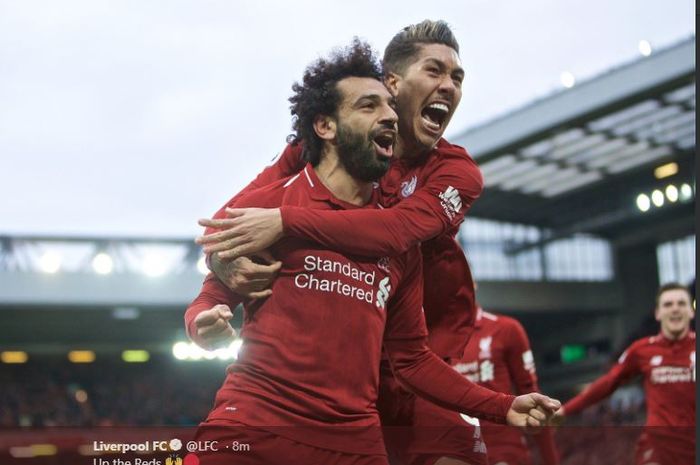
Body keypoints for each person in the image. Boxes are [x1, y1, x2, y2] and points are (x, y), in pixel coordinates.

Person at [186, 39, 559, 465]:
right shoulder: (297, 170)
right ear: (395, 83)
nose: (449, 86)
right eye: (434, 71)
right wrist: (220, 272)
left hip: (410, 368)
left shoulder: (451, 177)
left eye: (457, 77)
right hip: (260, 419)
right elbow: (222, 231)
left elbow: (395, 236)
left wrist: (502, 406)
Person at [552, 282, 695, 465]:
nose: (675, 309)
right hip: (657, 448)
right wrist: (566, 410)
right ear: (658, 313)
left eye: (681, 303)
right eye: (668, 304)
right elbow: (608, 382)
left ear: (691, 311)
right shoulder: (641, 350)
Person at [453, 303, 559, 465]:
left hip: (503, 452)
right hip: (456, 452)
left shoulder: (505, 329)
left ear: (473, 284)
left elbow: (534, 399)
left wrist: (551, 461)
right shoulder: (429, 339)